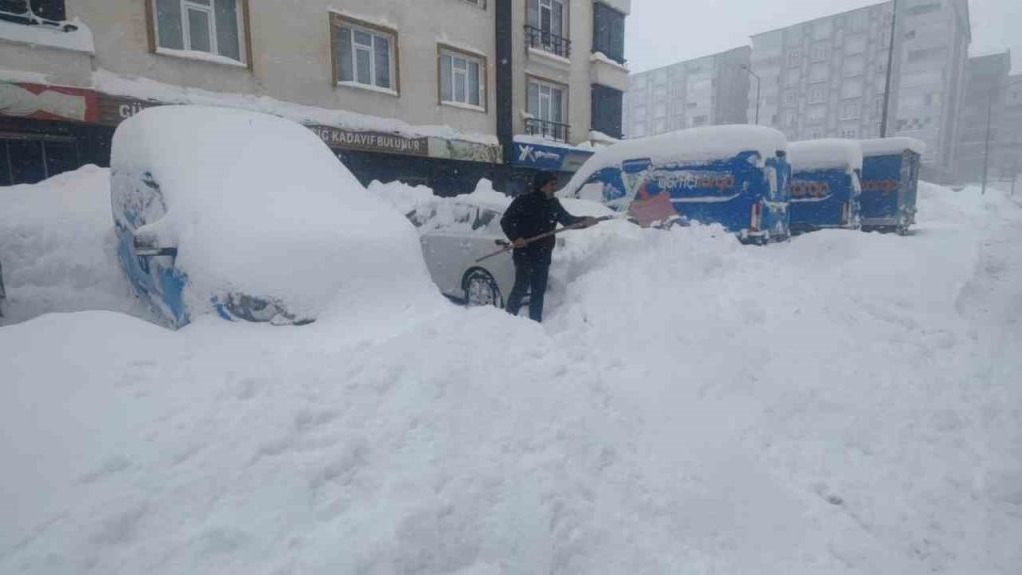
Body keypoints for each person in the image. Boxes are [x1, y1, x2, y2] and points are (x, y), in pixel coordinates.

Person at [500, 172, 598, 322]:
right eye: (552, 184)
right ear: (542, 185)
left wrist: (585, 221)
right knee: (520, 288)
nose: (554, 188)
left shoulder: (553, 204)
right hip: (524, 253)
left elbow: (568, 221)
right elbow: (506, 221)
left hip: (543, 254)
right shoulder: (523, 201)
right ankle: (507, 320)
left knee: (539, 291)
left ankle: (534, 323)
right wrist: (515, 238)